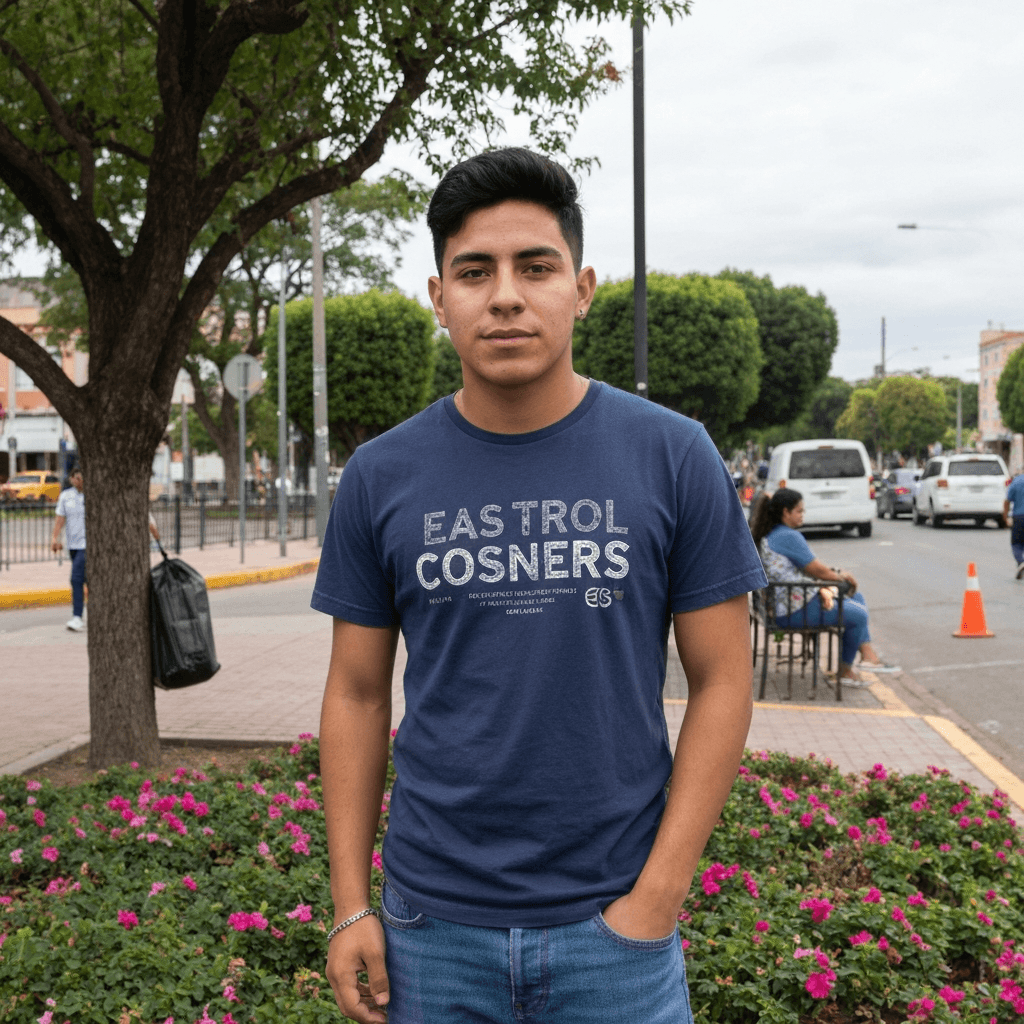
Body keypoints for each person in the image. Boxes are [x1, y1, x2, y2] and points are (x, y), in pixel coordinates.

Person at [311, 146, 768, 1024]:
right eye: (474, 271)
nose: (507, 295)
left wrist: (656, 903)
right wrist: (349, 904)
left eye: (537, 266)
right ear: (439, 296)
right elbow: (358, 692)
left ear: (582, 288)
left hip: (617, 931)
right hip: (428, 929)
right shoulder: (379, 474)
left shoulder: (673, 454)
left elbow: (723, 680)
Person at [749, 488, 900, 685]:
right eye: (799, 511)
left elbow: (813, 569)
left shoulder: (774, 534)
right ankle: (846, 671)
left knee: (857, 599)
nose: (803, 515)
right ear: (786, 512)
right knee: (859, 615)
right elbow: (818, 571)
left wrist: (836, 575)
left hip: (785, 603)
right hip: (792, 609)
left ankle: (868, 656)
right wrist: (840, 576)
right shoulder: (788, 536)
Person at [51, 466, 86, 632]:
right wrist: (55, 538)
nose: (78, 481)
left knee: (76, 578)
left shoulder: (93, 495)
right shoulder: (66, 496)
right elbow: (60, 519)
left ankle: (77, 616)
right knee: (85, 580)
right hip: (73, 545)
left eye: (80, 478)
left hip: (87, 546)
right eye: (76, 478)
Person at [1004, 471, 1024, 580]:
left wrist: (1005, 517)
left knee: (1016, 543)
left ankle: (1020, 562)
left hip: (1019, 517)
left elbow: (1007, 501)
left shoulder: (1017, 481)